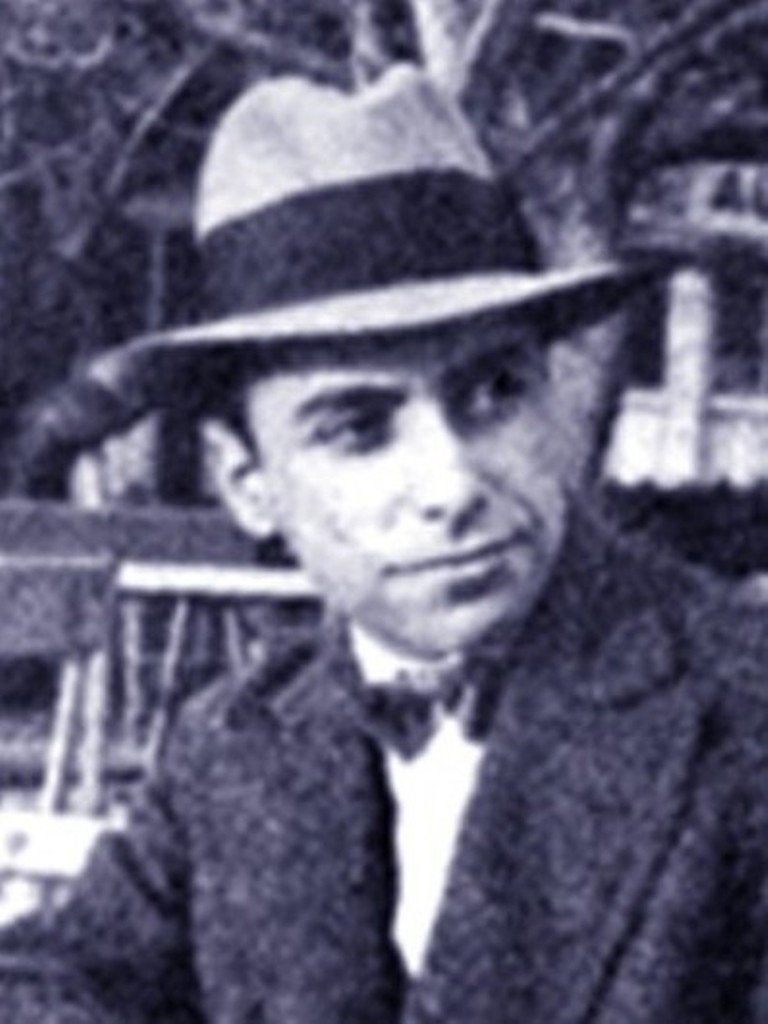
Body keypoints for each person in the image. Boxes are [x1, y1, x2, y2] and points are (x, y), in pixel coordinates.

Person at [3, 63, 768, 1024]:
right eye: (360, 429)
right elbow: (45, 980)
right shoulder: (233, 744)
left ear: (554, 398)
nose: (452, 485)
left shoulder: (741, 710)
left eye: (494, 392)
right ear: (250, 486)